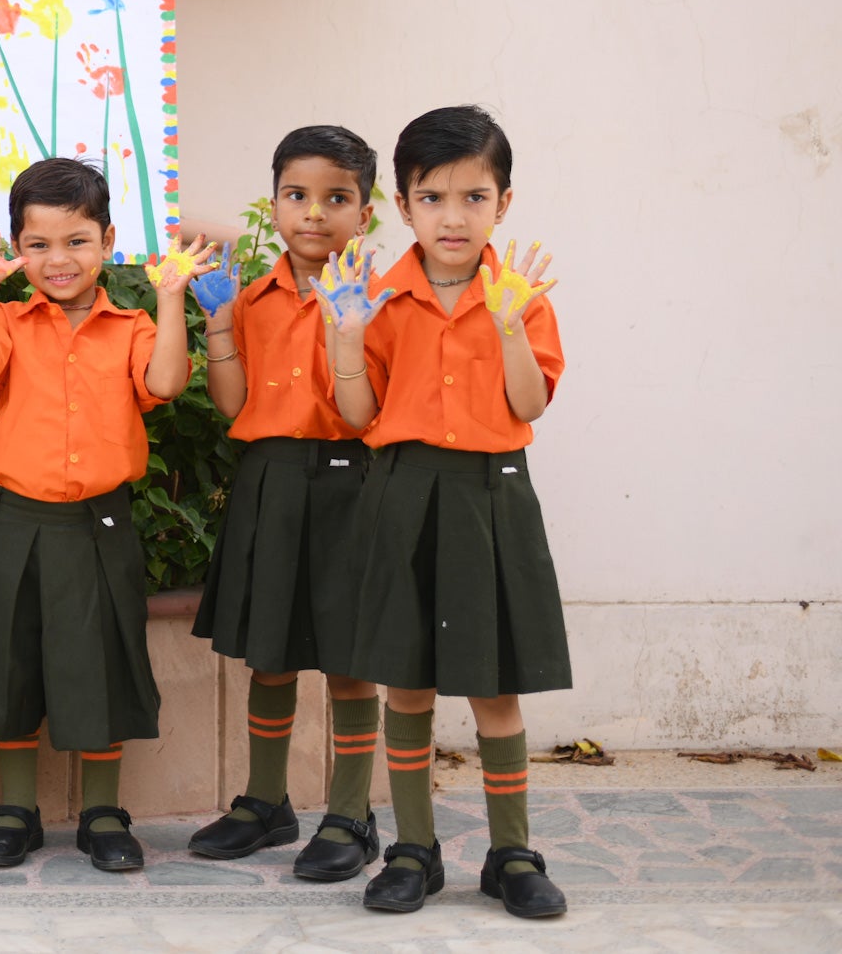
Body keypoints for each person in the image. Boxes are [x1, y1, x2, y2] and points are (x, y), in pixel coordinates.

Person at [321, 105, 569, 918]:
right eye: (432, 197)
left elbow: (531, 401)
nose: (452, 216)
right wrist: (347, 337)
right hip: (403, 495)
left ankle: (512, 852)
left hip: (492, 494)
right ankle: (412, 851)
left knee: (495, 688)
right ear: (401, 206)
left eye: (474, 196)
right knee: (409, 683)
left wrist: (507, 331)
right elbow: (358, 418)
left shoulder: (520, 297)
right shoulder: (381, 298)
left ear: (503, 201)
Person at [0, 157, 211, 871]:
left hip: (99, 523)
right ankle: (16, 810)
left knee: (101, 662)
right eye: (38, 245)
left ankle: (101, 811)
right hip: (15, 521)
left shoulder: (127, 327)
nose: (57, 260)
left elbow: (166, 382)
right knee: (9, 662)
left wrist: (170, 298)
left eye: (76, 242)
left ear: (108, 240)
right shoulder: (6, 318)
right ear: (18, 247)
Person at [187, 126, 385, 882]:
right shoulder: (253, 299)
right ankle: (266, 801)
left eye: (337, 198)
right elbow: (234, 409)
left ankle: (351, 812)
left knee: (348, 660)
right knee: (269, 656)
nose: (314, 213)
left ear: (365, 213)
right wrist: (219, 320)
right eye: (296, 196)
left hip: (349, 484)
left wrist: (350, 326)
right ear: (273, 205)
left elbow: (365, 413)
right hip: (271, 479)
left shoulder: (379, 300)